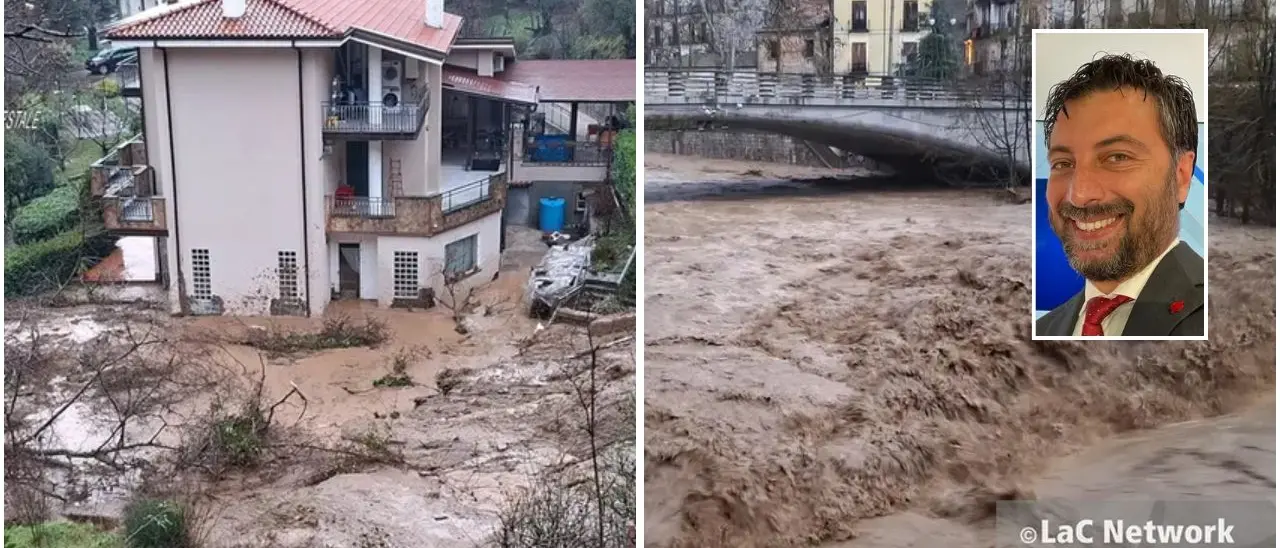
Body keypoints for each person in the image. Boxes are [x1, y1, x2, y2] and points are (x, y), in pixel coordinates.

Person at [1036, 54, 1204, 337]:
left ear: (1182, 175)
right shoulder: (1045, 328)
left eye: (1116, 157)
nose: (1079, 195)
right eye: (1063, 163)